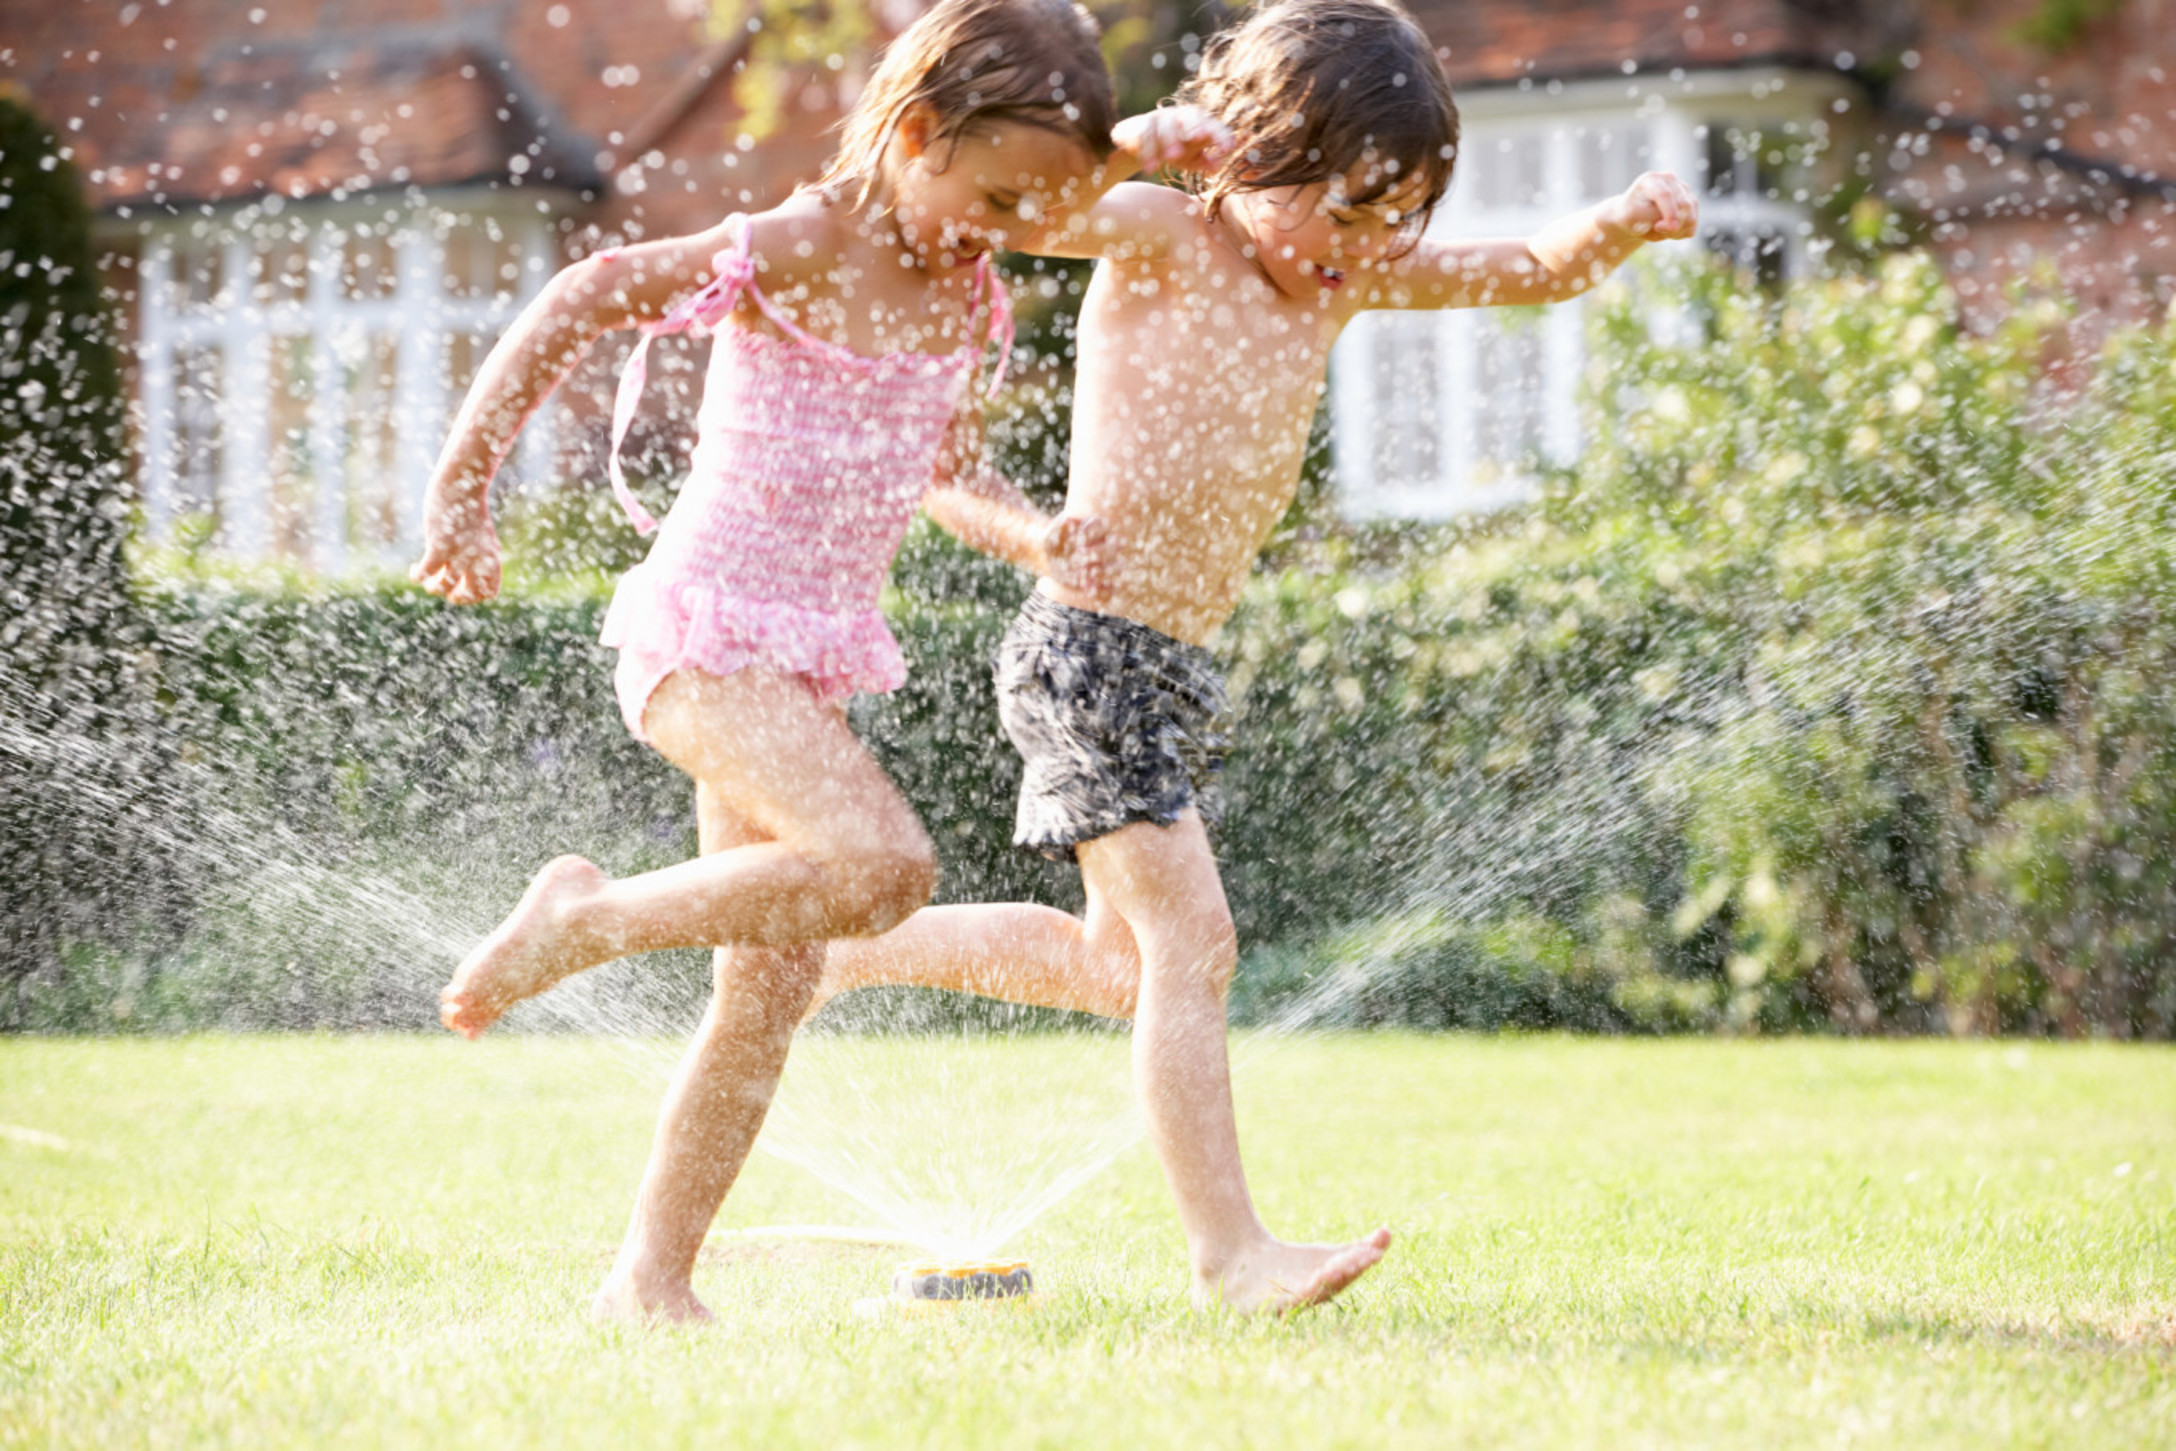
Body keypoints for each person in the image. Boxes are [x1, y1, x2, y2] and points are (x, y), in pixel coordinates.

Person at [809, 0, 1701, 1313]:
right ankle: (1230, 1255)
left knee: (1120, 964)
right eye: (1339, 212)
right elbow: (1019, 212)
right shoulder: (1164, 231)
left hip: (1165, 662)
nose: (1366, 250)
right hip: (1087, 647)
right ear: (1240, 161)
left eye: (1395, 217)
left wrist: (1616, 227)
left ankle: (844, 951)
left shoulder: (1349, 274)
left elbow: (1526, 268)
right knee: (1195, 944)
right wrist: (1125, 152)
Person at [410, 0, 1223, 1323]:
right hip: (699, 639)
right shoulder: (793, 248)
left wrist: (1036, 533)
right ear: (912, 133)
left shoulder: (964, 290)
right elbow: (581, 292)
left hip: (803, 663)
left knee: (766, 992)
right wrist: (462, 487)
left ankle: (649, 1284)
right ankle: (580, 924)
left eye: (1034, 214)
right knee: (885, 865)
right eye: (994, 195)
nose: (1006, 231)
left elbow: (943, 468)